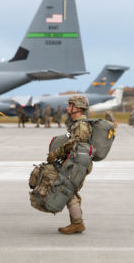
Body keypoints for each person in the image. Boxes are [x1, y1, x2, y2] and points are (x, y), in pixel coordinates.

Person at [46, 95, 92, 234]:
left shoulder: (81, 125)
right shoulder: (77, 124)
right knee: (70, 191)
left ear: (77, 107)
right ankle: (76, 222)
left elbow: (76, 143)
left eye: (70, 105)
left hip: (78, 164)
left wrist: (55, 153)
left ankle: (77, 223)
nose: (67, 107)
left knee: (68, 191)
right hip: (76, 163)